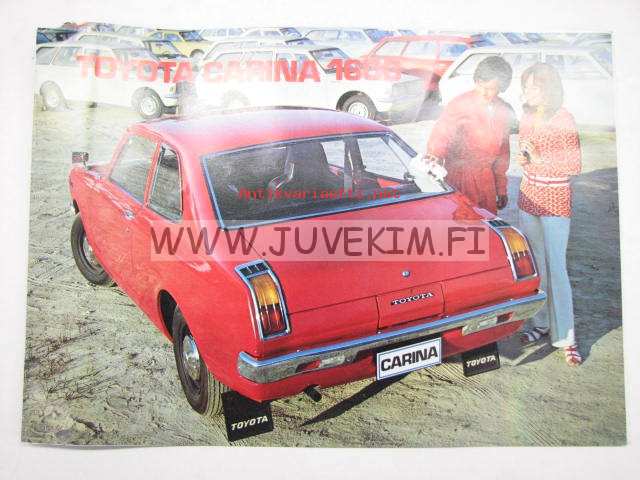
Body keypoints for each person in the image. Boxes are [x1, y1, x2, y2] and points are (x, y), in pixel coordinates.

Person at [516, 62, 582, 366]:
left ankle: (566, 337)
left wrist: (540, 159)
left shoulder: (564, 118)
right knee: (536, 266)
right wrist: (524, 158)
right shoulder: (527, 117)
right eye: (525, 86)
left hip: (555, 198)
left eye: (534, 86)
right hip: (528, 197)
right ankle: (541, 324)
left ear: (549, 89)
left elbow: (574, 166)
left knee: (557, 268)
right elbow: (525, 154)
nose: (528, 91)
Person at [425, 56, 514, 214]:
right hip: (460, 178)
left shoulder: (503, 110)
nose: (484, 92)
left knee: (485, 222)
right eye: (481, 85)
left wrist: (501, 188)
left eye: (491, 88)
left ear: (502, 87)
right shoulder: (460, 104)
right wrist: (434, 158)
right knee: (462, 222)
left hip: (486, 181)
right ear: (476, 81)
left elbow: (503, 154)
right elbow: (441, 135)